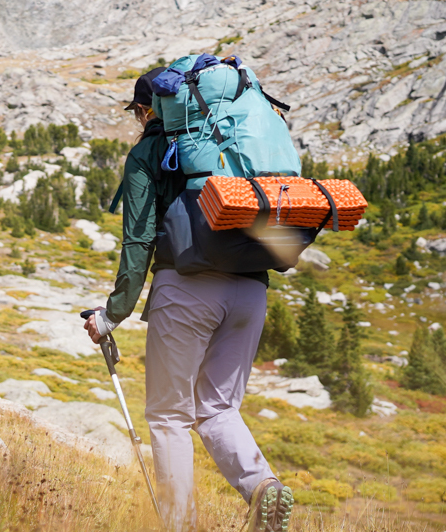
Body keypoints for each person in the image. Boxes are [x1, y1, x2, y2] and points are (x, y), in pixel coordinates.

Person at [83, 68, 293, 532]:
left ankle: (178, 525)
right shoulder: (228, 139)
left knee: (168, 414)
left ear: (146, 109)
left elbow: (138, 244)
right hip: (251, 287)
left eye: (137, 112)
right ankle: (263, 486)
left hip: (187, 288)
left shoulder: (148, 153)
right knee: (219, 407)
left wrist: (111, 314)